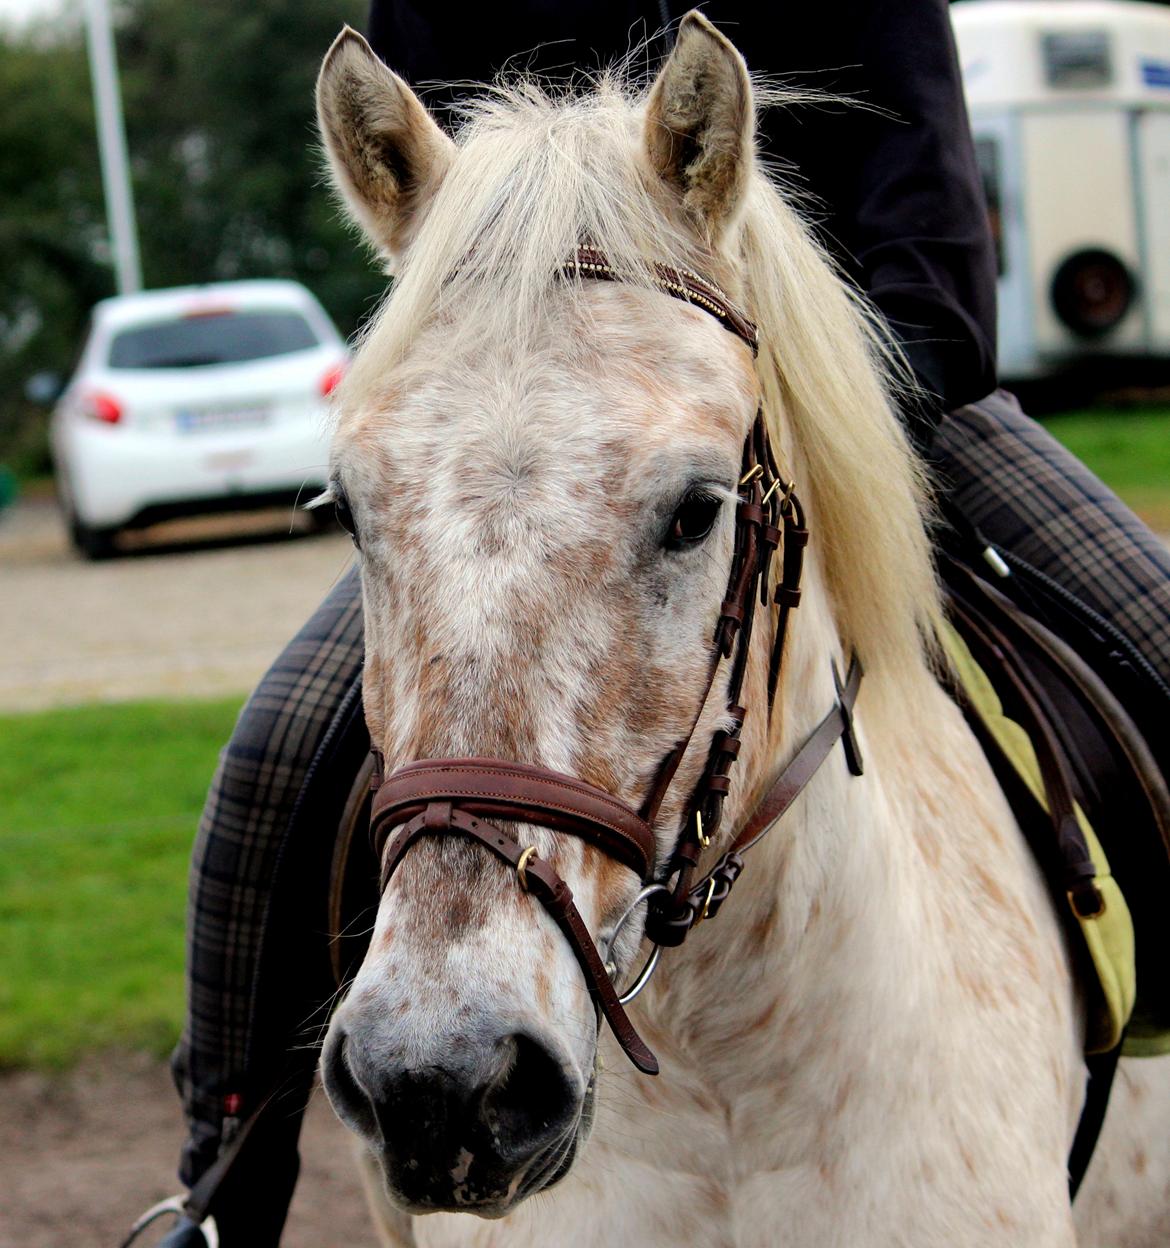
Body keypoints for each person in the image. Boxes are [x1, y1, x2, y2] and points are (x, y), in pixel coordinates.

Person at [148, 3, 1170, 1245]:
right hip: (537, 457)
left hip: (865, 413)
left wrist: (800, 431)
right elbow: (428, 215)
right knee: (269, 768)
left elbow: (936, 261)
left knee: (1158, 635)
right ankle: (219, 1195)